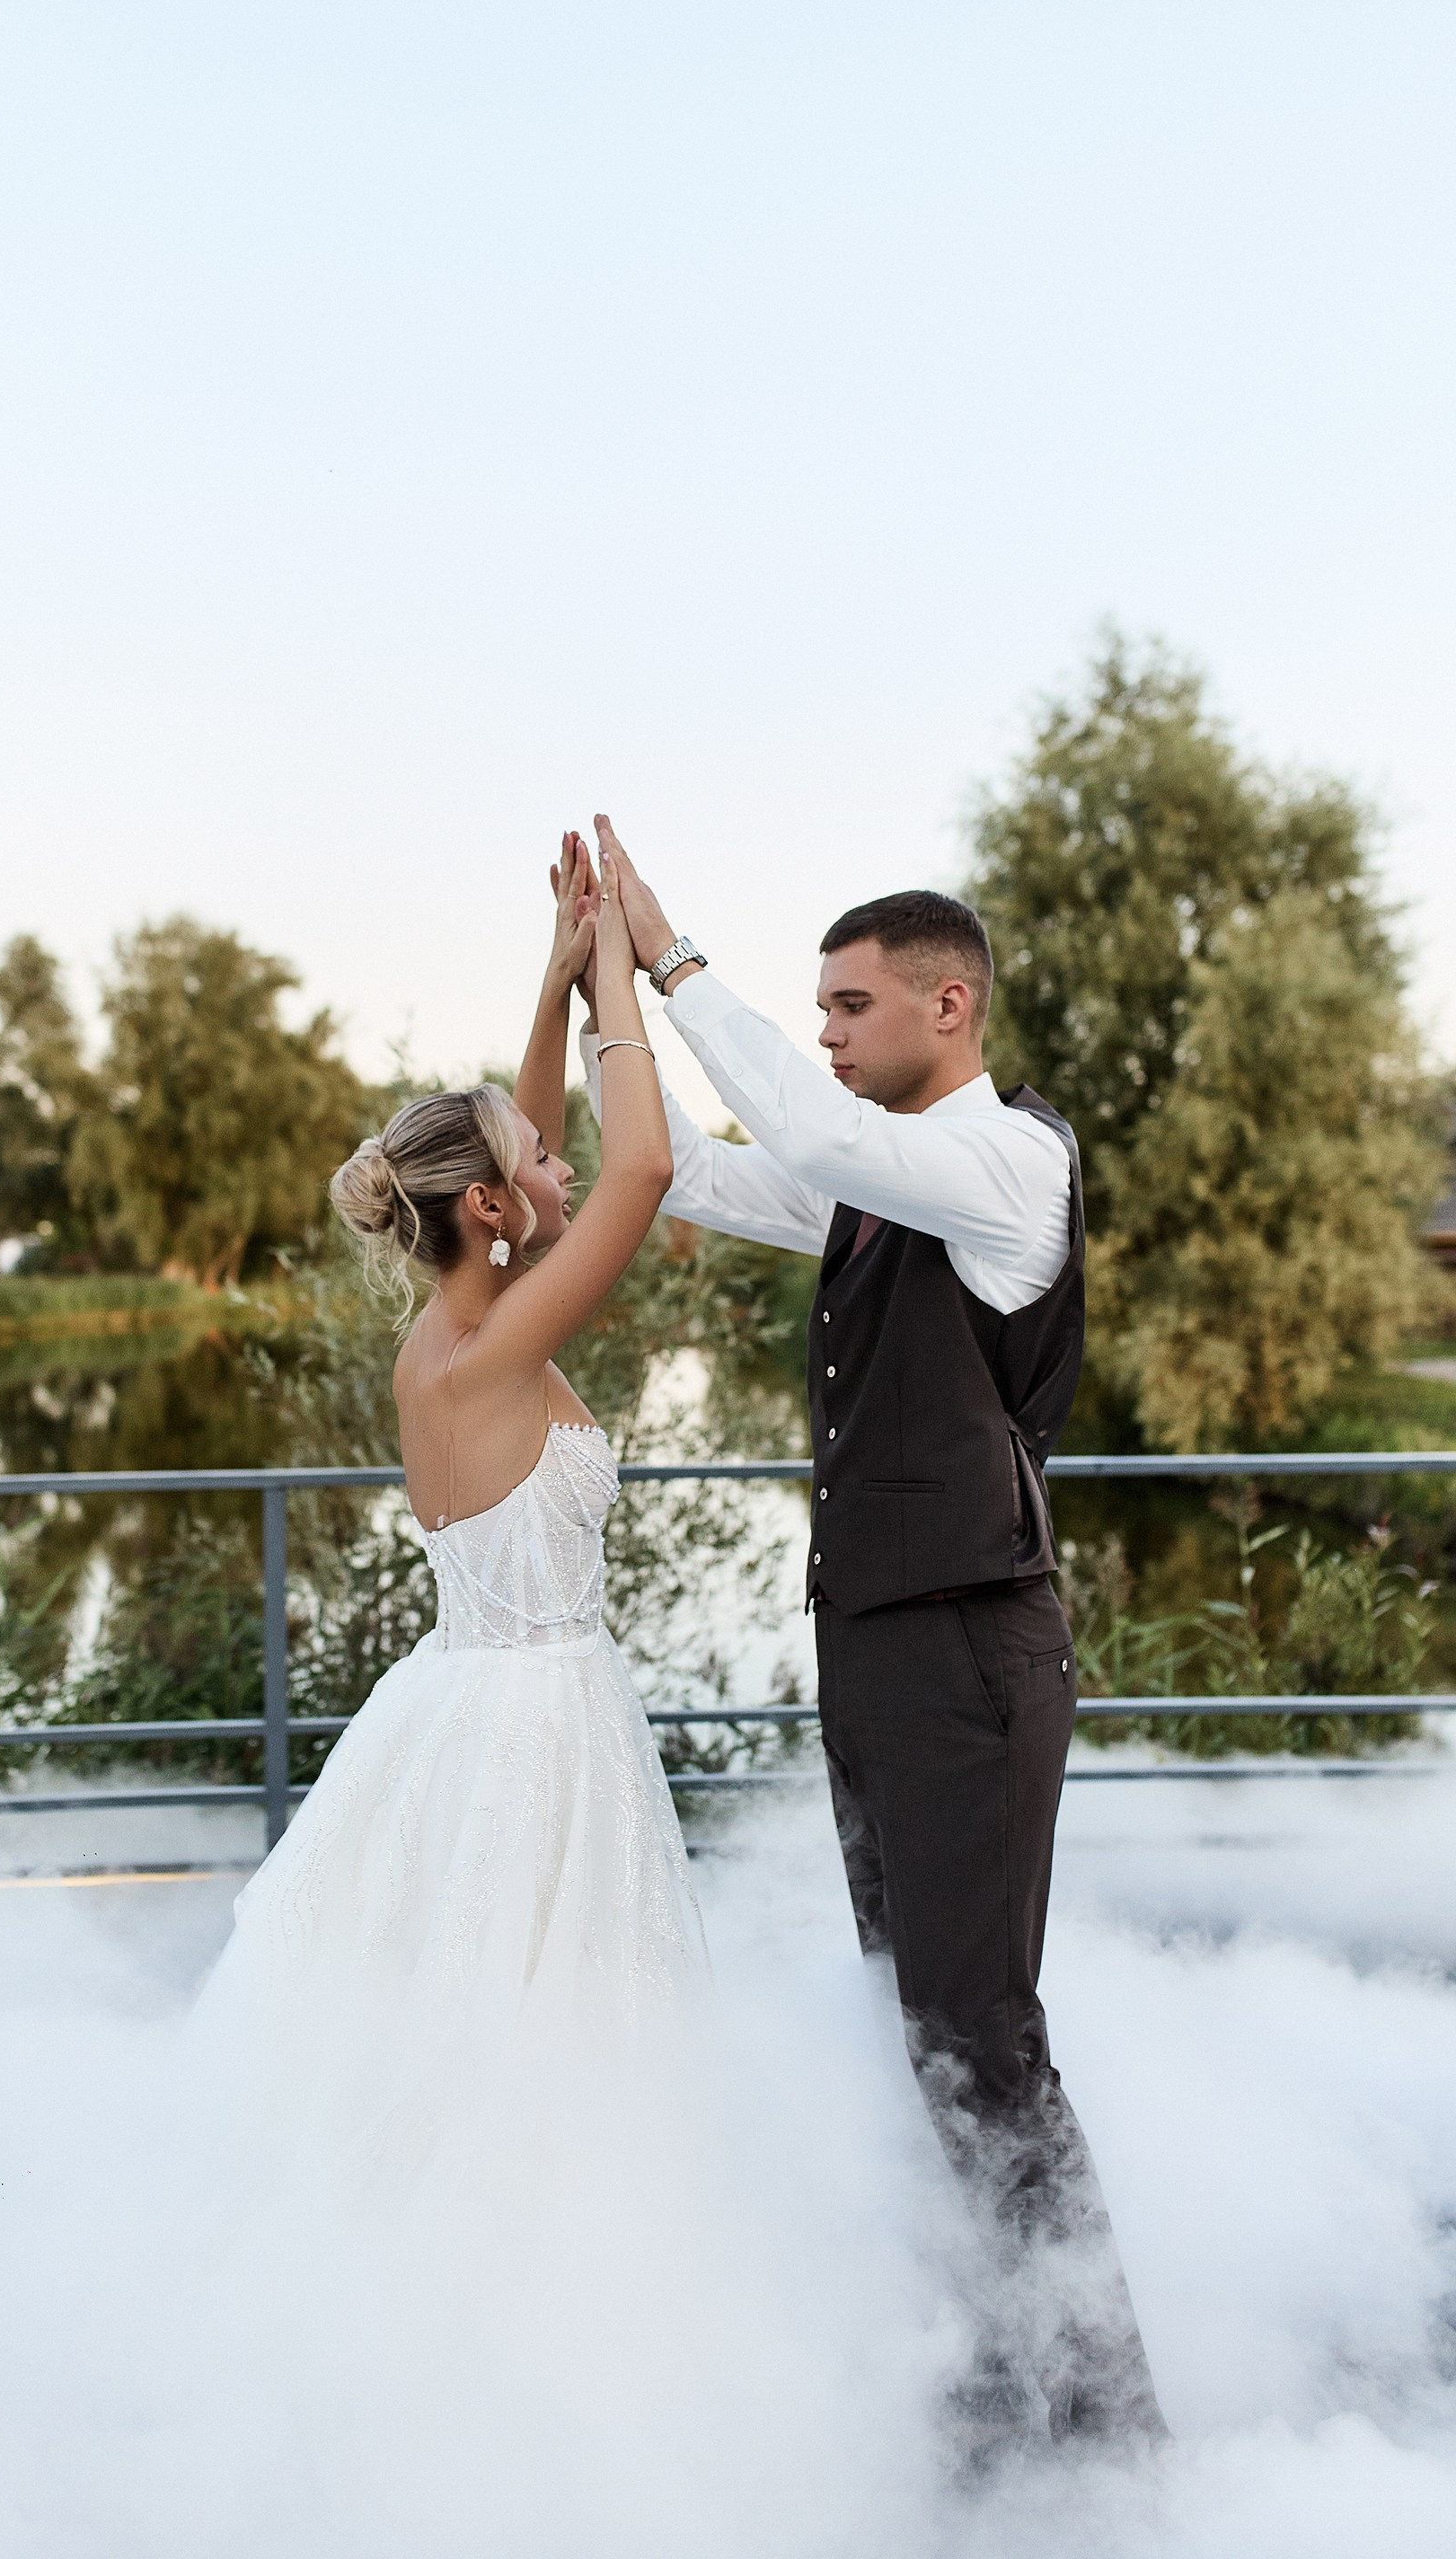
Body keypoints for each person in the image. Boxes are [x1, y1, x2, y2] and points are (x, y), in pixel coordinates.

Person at [581, 813, 1168, 2456]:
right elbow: (682, 1170)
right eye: (818, 1011)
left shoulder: (1002, 1161)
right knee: (918, 2031)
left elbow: (805, 1138)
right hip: (885, 1654)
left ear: (946, 1009)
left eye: (848, 1007)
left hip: (974, 1655)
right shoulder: (873, 1182)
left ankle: (1105, 2427)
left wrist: (677, 957)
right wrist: (601, 997)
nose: (828, 1033)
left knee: (986, 2039)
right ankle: (1001, 2369)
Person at [195, 831, 707, 2152]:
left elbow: (521, 1139)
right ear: (489, 1209)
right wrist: (620, 981)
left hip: (466, 1701)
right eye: (539, 1168)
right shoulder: (495, 1357)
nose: (564, 1169)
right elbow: (644, 1169)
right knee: (543, 2043)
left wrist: (549, 989)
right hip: (539, 1730)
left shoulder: (450, 1336)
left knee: (496, 2020)